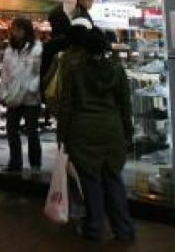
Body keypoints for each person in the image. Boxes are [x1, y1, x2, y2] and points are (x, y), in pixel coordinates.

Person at [57, 28, 135, 243]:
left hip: (83, 130)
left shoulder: (74, 70)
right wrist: (127, 132)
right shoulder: (117, 71)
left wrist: (61, 136)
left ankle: (94, 227)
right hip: (112, 129)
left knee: (90, 180)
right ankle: (124, 229)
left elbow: (67, 105)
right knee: (113, 178)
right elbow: (125, 106)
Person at [1, 16, 44, 176]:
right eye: (14, 29)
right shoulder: (9, 50)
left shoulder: (37, 49)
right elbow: (5, 74)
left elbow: (40, 73)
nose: (14, 32)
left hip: (31, 97)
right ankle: (15, 163)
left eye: (18, 29)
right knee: (11, 129)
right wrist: (4, 93)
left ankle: (35, 165)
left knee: (32, 132)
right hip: (13, 95)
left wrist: (32, 88)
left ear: (26, 30)